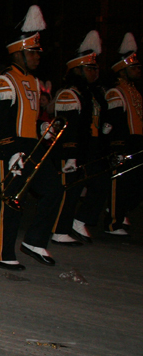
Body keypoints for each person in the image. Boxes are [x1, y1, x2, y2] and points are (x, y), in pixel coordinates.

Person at [0, 5, 63, 270]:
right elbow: (0, 123)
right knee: (12, 202)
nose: (37, 56)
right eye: (32, 51)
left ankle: (34, 240)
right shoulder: (4, 81)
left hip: (32, 145)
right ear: (18, 53)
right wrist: (11, 153)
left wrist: (41, 128)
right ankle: (3, 252)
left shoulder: (32, 80)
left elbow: (28, 115)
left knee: (54, 189)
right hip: (10, 148)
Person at [51, 31, 106, 245]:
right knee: (68, 191)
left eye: (95, 68)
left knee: (95, 186)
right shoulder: (68, 94)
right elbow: (68, 128)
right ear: (78, 70)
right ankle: (59, 229)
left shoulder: (90, 94)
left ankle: (74, 222)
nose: (94, 72)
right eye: (89, 68)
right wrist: (72, 153)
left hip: (88, 147)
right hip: (69, 150)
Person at [103, 33, 142, 235]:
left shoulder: (135, 92)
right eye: (133, 68)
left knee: (135, 183)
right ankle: (114, 221)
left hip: (137, 141)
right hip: (124, 142)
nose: (138, 71)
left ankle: (121, 210)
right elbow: (115, 122)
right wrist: (117, 147)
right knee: (120, 182)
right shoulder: (116, 92)